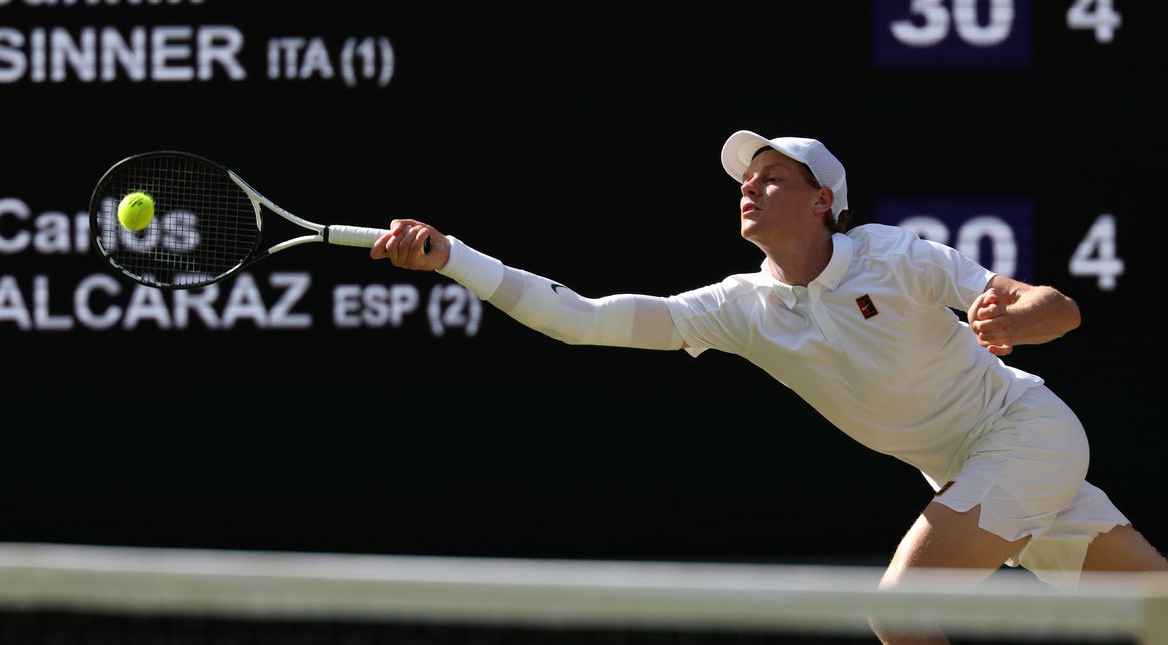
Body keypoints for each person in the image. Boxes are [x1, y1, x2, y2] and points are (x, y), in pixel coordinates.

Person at [369, 131, 1167, 644]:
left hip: (1023, 432)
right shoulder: (739, 309)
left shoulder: (897, 255)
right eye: (745, 180)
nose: (749, 188)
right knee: (1157, 611)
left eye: (774, 177)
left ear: (825, 200)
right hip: (968, 469)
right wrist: (454, 259)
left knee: (904, 615)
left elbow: (1053, 308)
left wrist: (1017, 320)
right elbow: (580, 319)